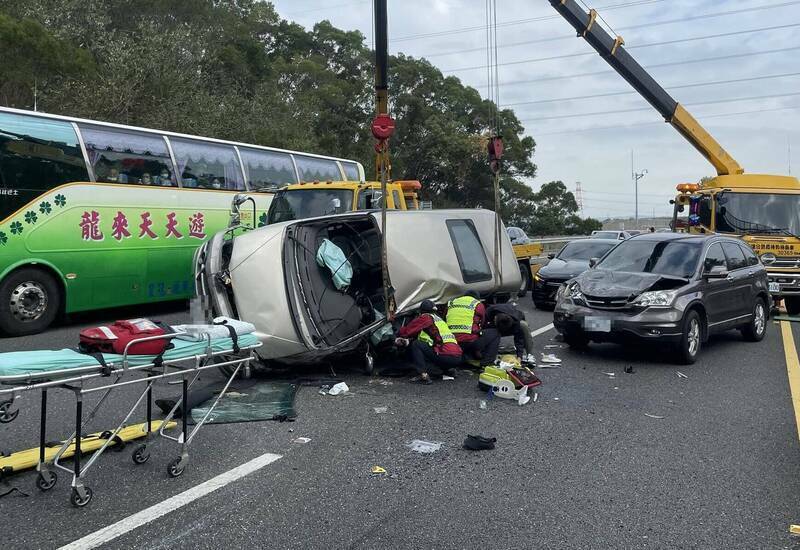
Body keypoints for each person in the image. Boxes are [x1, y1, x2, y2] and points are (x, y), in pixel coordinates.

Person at [396, 300, 462, 384]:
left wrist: (397, 332)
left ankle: (423, 375)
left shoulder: (425, 317)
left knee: (416, 344)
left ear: (421, 311)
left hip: (445, 354)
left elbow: (407, 331)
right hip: (457, 357)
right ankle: (448, 370)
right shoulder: (439, 320)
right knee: (432, 349)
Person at [446, 290, 500, 367]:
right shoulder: (477, 304)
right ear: (476, 298)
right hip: (469, 341)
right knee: (496, 333)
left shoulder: (451, 303)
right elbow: (482, 324)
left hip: (452, 341)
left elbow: (445, 319)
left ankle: (466, 356)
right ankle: (487, 362)